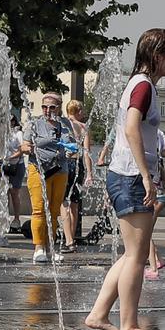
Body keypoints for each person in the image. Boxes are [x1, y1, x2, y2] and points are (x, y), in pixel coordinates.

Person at [84, 28, 165, 330]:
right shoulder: (142, 86)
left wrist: (153, 170)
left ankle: (99, 314)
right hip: (129, 177)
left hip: (126, 175)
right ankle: (128, 325)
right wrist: (144, 174)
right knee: (137, 257)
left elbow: (140, 133)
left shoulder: (142, 85)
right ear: (157, 55)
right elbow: (130, 129)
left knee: (131, 255)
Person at [20, 91, 76, 264]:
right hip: (38, 169)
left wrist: (70, 150)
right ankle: (39, 248)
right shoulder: (34, 123)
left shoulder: (64, 124)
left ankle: (51, 248)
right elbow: (24, 145)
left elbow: (72, 144)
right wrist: (28, 148)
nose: (47, 110)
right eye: (44, 106)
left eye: (52, 107)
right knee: (39, 209)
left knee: (53, 210)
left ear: (59, 108)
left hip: (60, 170)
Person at [60, 99, 92, 250]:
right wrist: (90, 173)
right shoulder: (84, 127)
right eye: (82, 111)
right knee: (74, 204)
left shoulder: (63, 125)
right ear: (78, 111)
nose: (83, 114)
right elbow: (86, 153)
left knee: (63, 202)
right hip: (78, 165)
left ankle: (68, 240)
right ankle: (71, 239)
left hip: (65, 163)